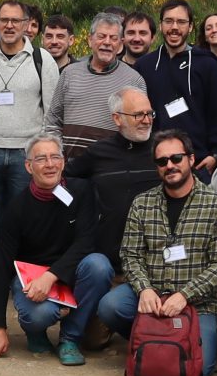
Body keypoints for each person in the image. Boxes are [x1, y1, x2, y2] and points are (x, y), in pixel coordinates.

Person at [96, 130, 217, 376]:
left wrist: (185, 295)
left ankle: (167, 342)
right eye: (162, 161)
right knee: (110, 306)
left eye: (176, 158)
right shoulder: (142, 203)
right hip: (152, 294)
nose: (169, 165)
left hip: (197, 303)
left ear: (191, 160)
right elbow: (130, 254)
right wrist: (145, 289)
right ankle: (153, 341)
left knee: (199, 370)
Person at [0, 133, 109, 364]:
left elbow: (86, 242)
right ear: (29, 167)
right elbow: (1, 267)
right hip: (31, 279)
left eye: (55, 157)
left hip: (70, 272)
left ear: (63, 161)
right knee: (39, 315)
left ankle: (70, 339)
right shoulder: (16, 209)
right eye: (41, 159)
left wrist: (51, 276)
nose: (50, 164)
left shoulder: (82, 191)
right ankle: (35, 332)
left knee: (99, 266)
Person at [0, 0, 61, 207]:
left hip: (26, 154)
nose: (9, 26)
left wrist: (41, 151)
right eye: (4, 20)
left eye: (15, 20)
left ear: (26, 24)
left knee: (25, 214)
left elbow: (52, 112)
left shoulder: (42, 59)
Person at [68, 90, 168, 267]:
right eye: (138, 115)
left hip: (157, 259)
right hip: (107, 259)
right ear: (117, 119)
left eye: (149, 113)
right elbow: (65, 178)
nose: (147, 121)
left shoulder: (164, 150)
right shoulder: (98, 152)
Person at [50, 11, 147, 160]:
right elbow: (53, 119)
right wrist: (55, 153)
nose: (107, 42)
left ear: (120, 45)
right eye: (101, 37)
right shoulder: (69, 73)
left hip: (111, 167)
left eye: (113, 38)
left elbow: (141, 124)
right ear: (89, 40)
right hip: (69, 166)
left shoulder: (134, 80)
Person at [135, 0, 217, 149]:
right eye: (169, 21)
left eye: (181, 22)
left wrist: (215, 154)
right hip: (155, 157)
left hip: (198, 158)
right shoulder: (144, 66)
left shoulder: (207, 64)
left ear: (190, 26)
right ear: (160, 25)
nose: (174, 27)